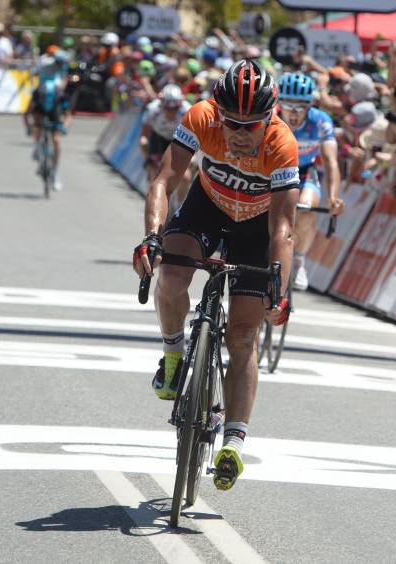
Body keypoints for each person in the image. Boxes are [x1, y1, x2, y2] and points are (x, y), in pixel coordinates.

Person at [133, 59, 298, 491]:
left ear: (270, 118)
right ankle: (173, 355)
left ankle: (234, 442)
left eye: (253, 125)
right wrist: (151, 237)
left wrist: (278, 290)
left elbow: (283, 229)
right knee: (170, 276)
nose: (241, 134)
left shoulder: (282, 144)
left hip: (256, 229)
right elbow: (163, 182)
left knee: (243, 335)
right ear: (217, 114)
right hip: (207, 209)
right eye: (232, 123)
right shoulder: (200, 118)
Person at [276, 73, 343, 291]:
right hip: (271, 172)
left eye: (300, 107)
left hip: (303, 172)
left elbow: (331, 162)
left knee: (306, 208)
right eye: (288, 106)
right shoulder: (269, 118)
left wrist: (333, 197)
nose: (293, 114)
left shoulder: (320, 121)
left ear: (310, 105)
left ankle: (299, 261)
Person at [24, 49, 72, 191]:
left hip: (55, 102)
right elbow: (35, 73)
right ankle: (37, 145)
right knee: (37, 123)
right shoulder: (45, 63)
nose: (59, 66)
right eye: (58, 63)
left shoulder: (61, 85)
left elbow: (69, 114)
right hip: (41, 96)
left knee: (56, 140)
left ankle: (55, 173)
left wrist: (64, 127)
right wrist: (29, 127)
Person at [140, 84, 191, 190]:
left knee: (185, 177)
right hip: (158, 138)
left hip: (177, 141)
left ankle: (179, 204)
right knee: (155, 174)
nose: (171, 112)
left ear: (180, 105)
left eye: (175, 109)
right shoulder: (153, 109)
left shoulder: (187, 111)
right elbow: (143, 136)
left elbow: (195, 138)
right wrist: (147, 158)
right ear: (161, 104)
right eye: (167, 108)